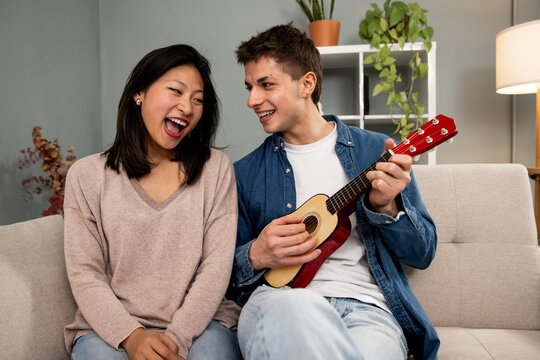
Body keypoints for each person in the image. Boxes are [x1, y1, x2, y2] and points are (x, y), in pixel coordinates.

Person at [228, 24, 440, 360]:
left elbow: (423, 253)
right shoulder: (244, 173)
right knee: (293, 311)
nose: (252, 100)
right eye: (250, 87)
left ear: (307, 84)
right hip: (280, 302)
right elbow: (221, 276)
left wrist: (386, 209)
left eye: (266, 84)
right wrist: (254, 255)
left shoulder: (376, 152)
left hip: (367, 310)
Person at [63, 44, 242, 360]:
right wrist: (132, 338)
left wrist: (175, 340)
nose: (187, 107)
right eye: (176, 91)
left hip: (201, 326)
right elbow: (85, 274)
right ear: (139, 93)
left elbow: (215, 269)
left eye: (197, 99)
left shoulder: (216, 168)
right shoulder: (86, 176)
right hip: (111, 330)